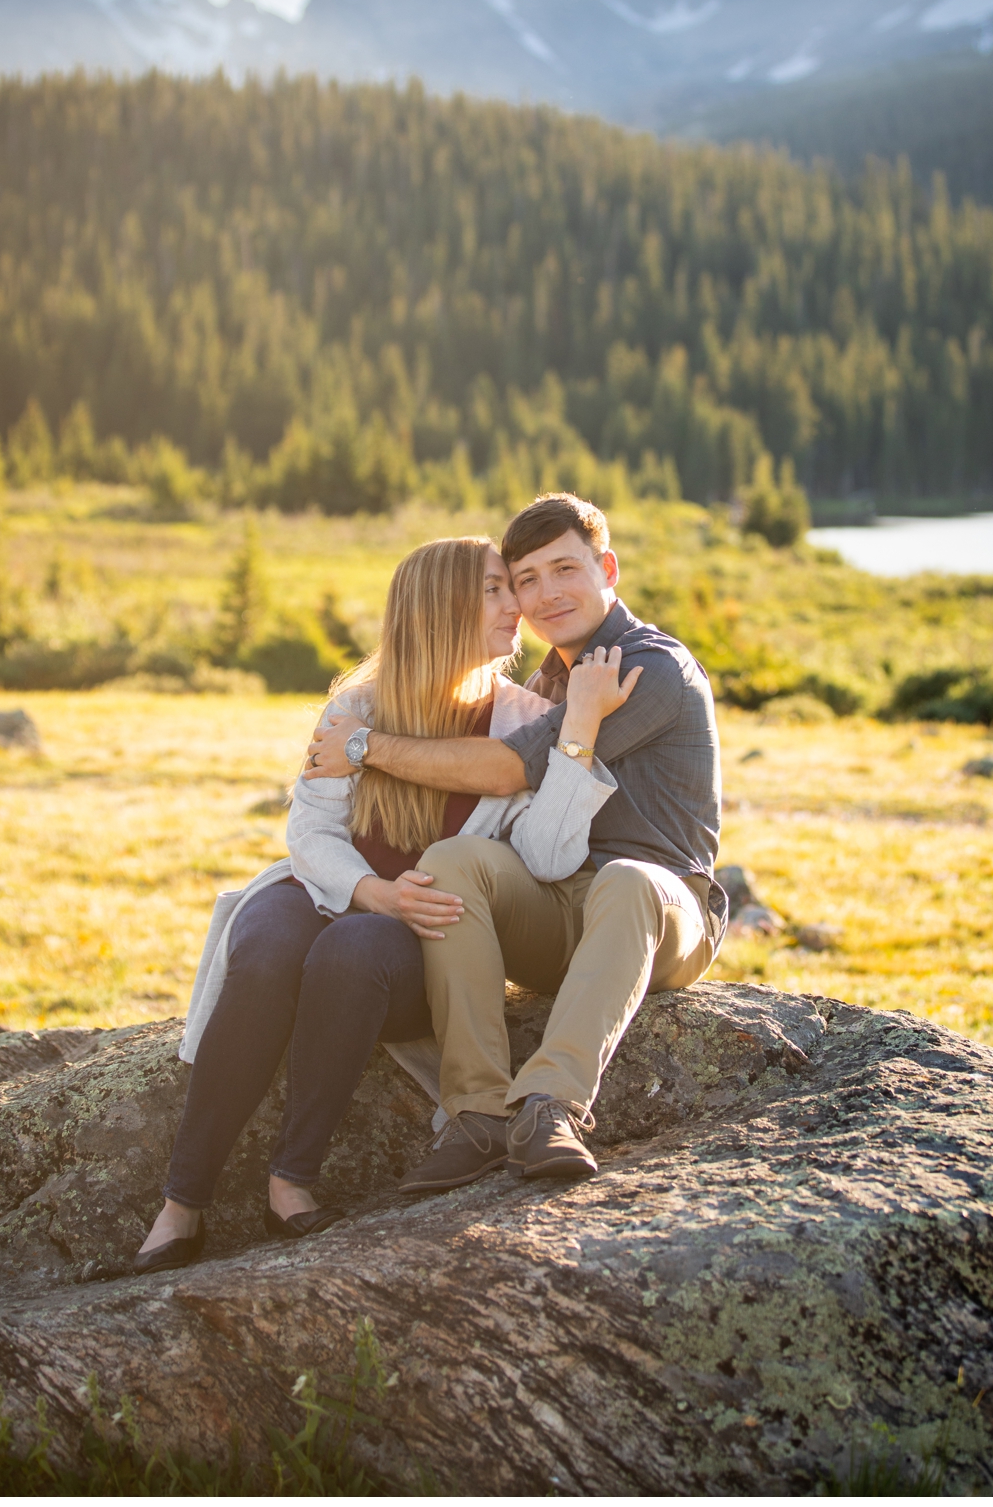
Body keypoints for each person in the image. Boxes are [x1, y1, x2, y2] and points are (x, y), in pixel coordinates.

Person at [133, 535, 639, 1274]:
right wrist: (374, 893)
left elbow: (546, 859)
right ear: (442, 610)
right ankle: (182, 1202)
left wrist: (576, 740)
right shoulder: (356, 705)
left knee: (348, 953)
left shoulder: (527, 718)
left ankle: (290, 1183)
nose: (520, 606)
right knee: (267, 947)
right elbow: (310, 830)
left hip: (427, 932)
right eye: (498, 590)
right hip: (332, 890)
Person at [305, 492, 724, 1196]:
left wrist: (363, 746)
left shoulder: (649, 668)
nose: (545, 592)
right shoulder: (546, 685)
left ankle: (550, 1107)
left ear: (607, 568)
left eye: (565, 569)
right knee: (451, 863)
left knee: (626, 878)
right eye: (525, 579)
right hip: (561, 907)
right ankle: (476, 1115)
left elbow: (505, 769)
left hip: (663, 913)